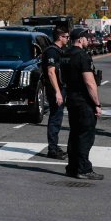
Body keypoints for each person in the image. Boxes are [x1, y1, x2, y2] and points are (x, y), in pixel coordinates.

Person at [62, 28, 103, 180]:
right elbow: (90, 82)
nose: (88, 40)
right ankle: (84, 169)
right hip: (83, 100)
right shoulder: (82, 56)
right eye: (86, 37)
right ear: (80, 39)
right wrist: (97, 104)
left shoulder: (65, 54)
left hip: (71, 98)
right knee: (86, 136)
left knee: (74, 134)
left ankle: (72, 167)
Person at [42, 27, 70, 159]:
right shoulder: (52, 52)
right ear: (60, 37)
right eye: (66, 37)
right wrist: (58, 92)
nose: (68, 39)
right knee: (55, 118)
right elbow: (51, 72)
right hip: (55, 89)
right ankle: (52, 149)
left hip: (61, 88)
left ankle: (54, 146)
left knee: (57, 118)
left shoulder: (59, 51)